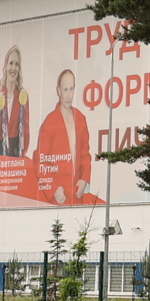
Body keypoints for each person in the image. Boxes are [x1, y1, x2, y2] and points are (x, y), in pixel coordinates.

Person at [33, 69, 93, 206]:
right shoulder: (49, 123)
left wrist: (84, 179)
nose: (69, 95)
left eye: (71, 89)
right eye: (65, 90)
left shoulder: (81, 119)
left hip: (76, 193)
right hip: (59, 196)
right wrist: (54, 189)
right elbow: (40, 161)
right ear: (58, 91)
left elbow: (85, 154)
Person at [0, 46, 31, 159]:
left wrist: (24, 111)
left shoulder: (23, 97)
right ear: (6, 66)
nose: (13, 68)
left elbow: (26, 144)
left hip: (16, 156)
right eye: (11, 63)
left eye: (16, 64)